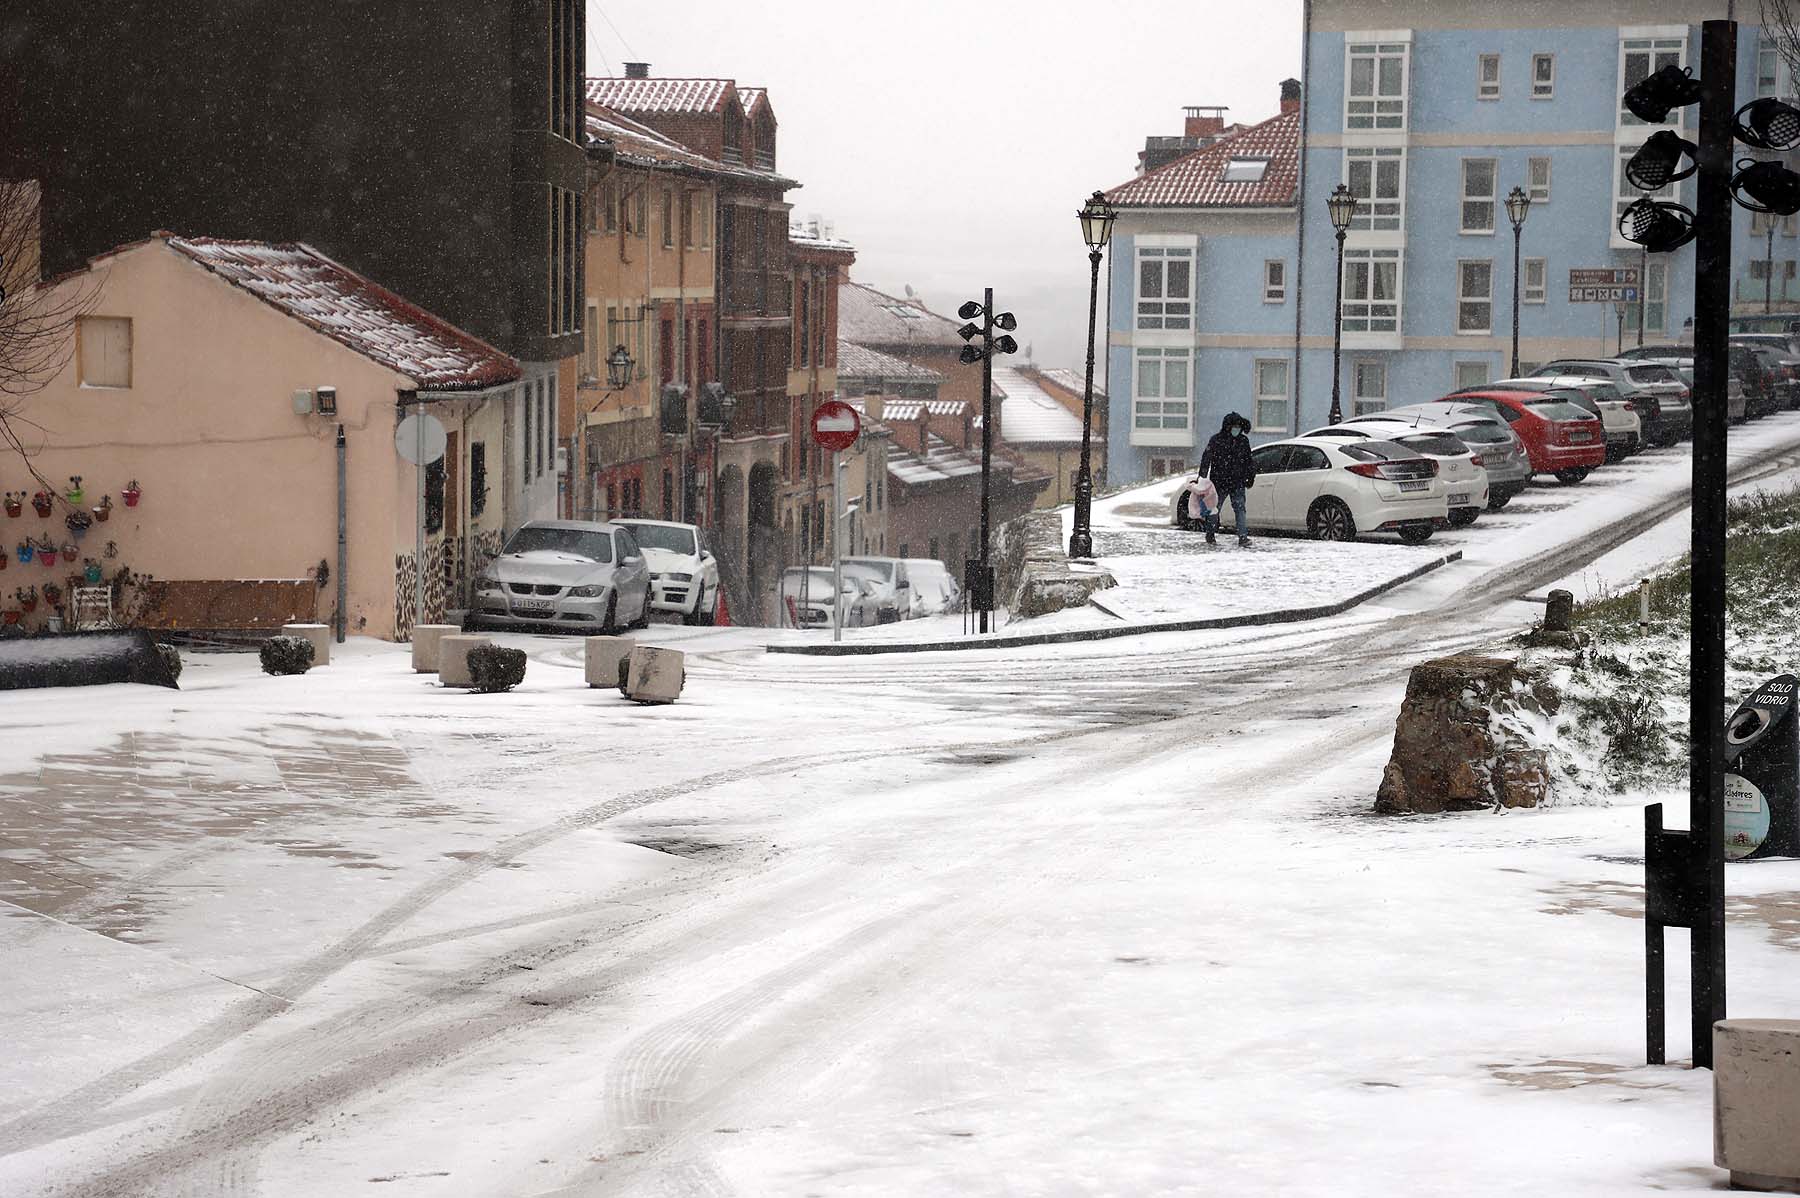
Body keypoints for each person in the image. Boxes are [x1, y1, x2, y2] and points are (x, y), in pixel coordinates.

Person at [1197, 411, 1257, 547]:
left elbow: (1248, 461)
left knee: (1233, 508)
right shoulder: (1218, 440)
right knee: (1218, 509)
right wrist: (1202, 476)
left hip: (1233, 481)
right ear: (1228, 426)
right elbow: (1206, 459)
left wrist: (1250, 476)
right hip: (1222, 482)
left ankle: (1241, 536)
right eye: (1234, 426)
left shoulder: (1240, 441)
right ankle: (1212, 533)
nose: (1237, 429)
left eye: (1238, 427)